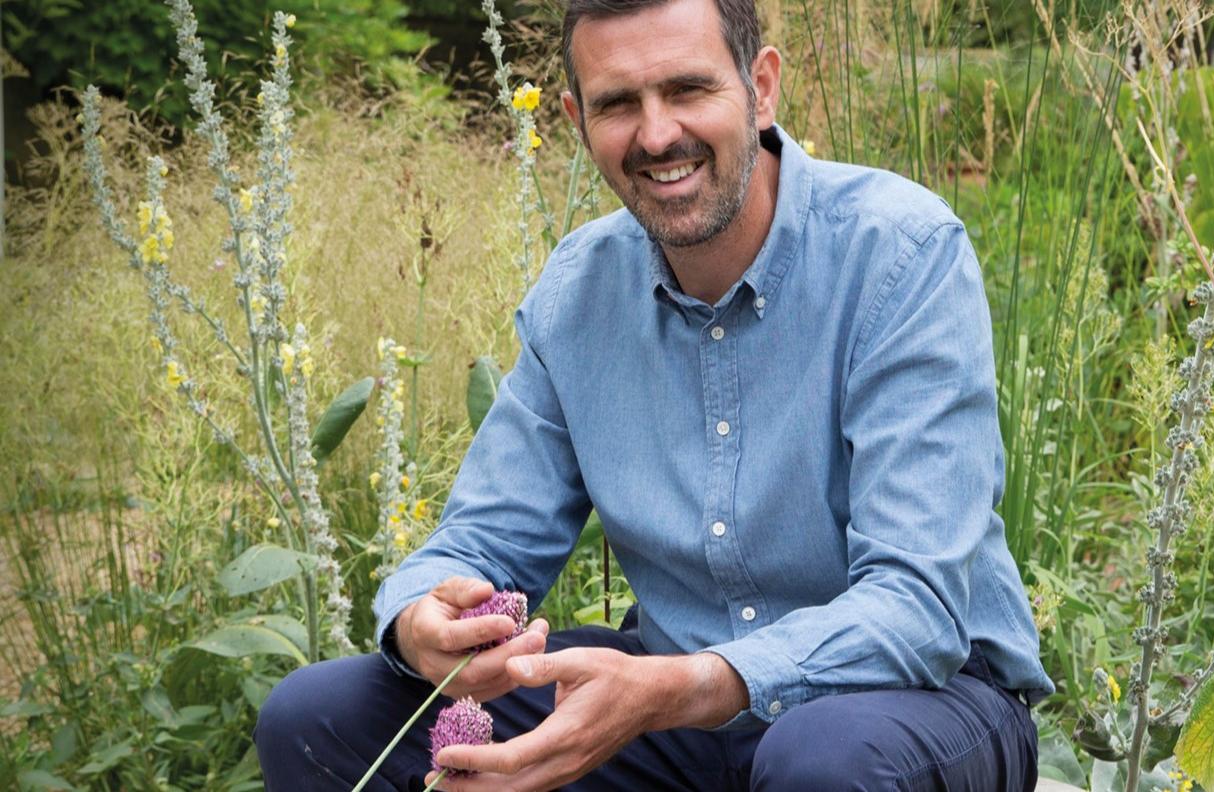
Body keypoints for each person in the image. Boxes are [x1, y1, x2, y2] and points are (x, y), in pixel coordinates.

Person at [254, 0, 1054, 788]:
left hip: (919, 703)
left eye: (688, 89)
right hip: (670, 712)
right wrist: (421, 618)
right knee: (318, 717)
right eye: (617, 104)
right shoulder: (577, 294)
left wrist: (685, 685)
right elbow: (486, 539)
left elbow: (917, 607)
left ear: (761, 87)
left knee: (820, 760)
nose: (657, 133)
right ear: (575, 119)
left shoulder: (901, 255)